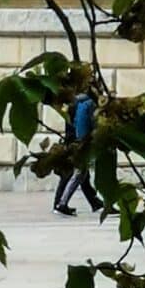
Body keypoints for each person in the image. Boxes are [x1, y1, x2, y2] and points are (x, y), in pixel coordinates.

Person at [54, 86, 103, 216]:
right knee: (76, 174)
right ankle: (60, 204)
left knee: (81, 176)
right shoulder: (87, 104)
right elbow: (88, 124)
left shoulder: (75, 102)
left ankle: (95, 203)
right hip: (80, 143)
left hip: (74, 141)